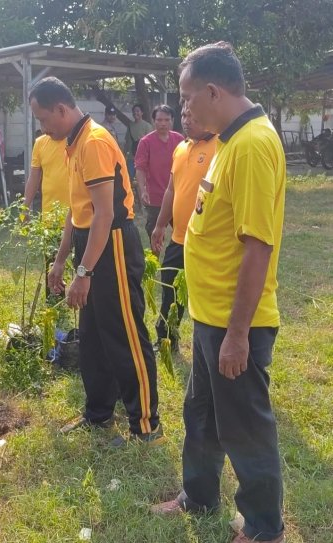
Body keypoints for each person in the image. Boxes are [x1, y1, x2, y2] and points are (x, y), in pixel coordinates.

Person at [151, 42, 286, 543]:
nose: (183, 108)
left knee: (245, 427)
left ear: (213, 91)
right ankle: (199, 495)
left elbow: (257, 247)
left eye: (187, 98)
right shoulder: (228, 140)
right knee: (201, 413)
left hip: (235, 322)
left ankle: (262, 528)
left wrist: (236, 334)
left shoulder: (251, 145)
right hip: (210, 315)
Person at [29, 76, 161, 447]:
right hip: (91, 242)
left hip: (114, 243)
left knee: (125, 335)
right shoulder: (72, 143)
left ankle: (146, 425)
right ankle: (99, 414)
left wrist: (83, 273)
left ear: (61, 109)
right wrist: (60, 262)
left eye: (43, 119)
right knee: (92, 336)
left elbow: (104, 214)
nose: (43, 127)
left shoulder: (95, 142)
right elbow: (77, 211)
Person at [150, 109, 216, 352]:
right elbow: (171, 189)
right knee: (169, 286)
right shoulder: (180, 148)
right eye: (184, 116)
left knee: (204, 294)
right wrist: (159, 225)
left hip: (206, 239)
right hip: (179, 238)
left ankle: (208, 345)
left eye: (193, 115)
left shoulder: (221, 147)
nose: (187, 121)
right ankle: (167, 338)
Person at [133, 105, 184, 238]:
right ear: (153, 121)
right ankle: (154, 259)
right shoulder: (145, 142)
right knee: (155, 236)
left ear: (172, 120)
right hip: (155, 198)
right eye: (159, 120)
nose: (163, 124)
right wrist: (143, 190)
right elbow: (140, 168)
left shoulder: (179, 139)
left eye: (167, 120)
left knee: (183, 235)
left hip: (178, 196)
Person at [23, 130, 70, 214]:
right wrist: (25, 208)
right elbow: (34, 177)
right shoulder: (40, 143)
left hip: (76, 217)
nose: (43, 128)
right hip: (49, 214)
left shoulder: (76, 141)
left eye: (45, 120)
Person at [125, 104, 152, 185]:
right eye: (134, 111)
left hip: (143, 158)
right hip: (131, 158)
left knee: (142, 181)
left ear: (142, 113)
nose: (135, 113)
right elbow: (127, 142)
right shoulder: (130, 126)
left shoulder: (147, 126)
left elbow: (150, 144)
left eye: (138, 111)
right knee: (129, 180)